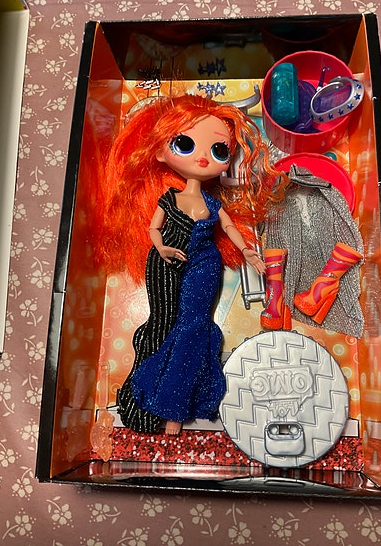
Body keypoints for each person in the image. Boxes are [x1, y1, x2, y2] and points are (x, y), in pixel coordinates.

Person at [93, 94, 284, 435]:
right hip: (167, 259)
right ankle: (154, 399)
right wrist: (162, 248)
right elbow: (153, 229)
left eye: (219, 150)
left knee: (194, 325)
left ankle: (175, 405)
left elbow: (228, 227)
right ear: (159, 152)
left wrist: (248, 251)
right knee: (165, 322)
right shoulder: (168, 198)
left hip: (205, 263)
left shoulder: (212, 201)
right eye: (184, 144)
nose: (203, 157)